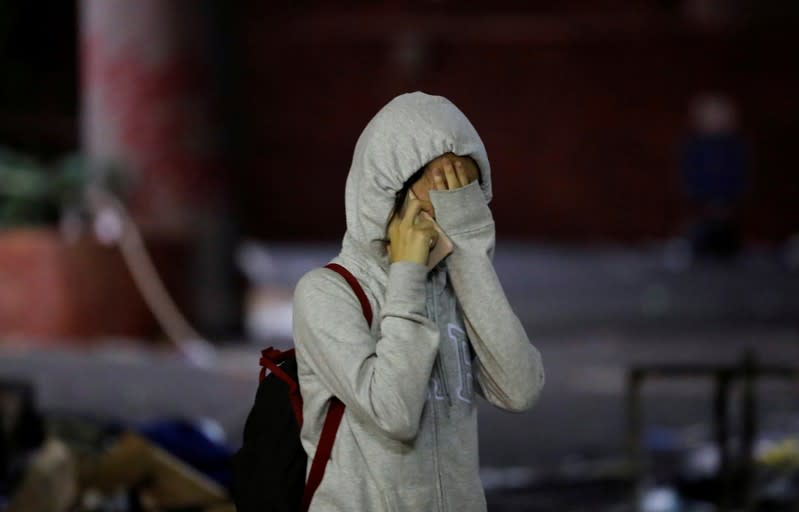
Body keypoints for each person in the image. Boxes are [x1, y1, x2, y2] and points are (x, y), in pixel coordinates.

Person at [292, 91, 545, 511]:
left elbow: (520, 389)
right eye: (443, 190)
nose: (455, 209)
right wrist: (406, 275)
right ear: (386, 193)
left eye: (467, 194)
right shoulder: (325, 293)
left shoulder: (454, 286)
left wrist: (471, 250)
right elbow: (395, 414)